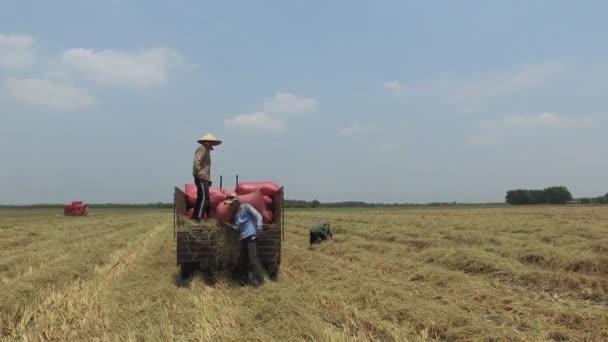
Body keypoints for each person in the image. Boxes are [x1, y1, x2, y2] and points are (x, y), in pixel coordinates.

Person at [225, 194, 265, 287]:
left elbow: (258, 216)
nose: (230, 206)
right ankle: (243, 279)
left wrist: (259, 227)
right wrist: (230, 227)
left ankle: (259, 281)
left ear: (236, 202)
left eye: (231, 204)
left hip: (251, 235)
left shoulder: (246, 207)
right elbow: (238, 228)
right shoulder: (237, 215)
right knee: (242, 260)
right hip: (243, 238)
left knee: (253, 258)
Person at [192, 133, 221, 222]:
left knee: (203, 197)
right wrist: (201, 175)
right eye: (211, 142)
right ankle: (199, 218)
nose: (212, 144)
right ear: (207, 142)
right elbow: (196, 162)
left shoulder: (207, 150)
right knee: (204, 197)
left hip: (205, 178)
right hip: (201, 177)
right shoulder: (203, 148)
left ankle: (195, 217)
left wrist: (208, 179)